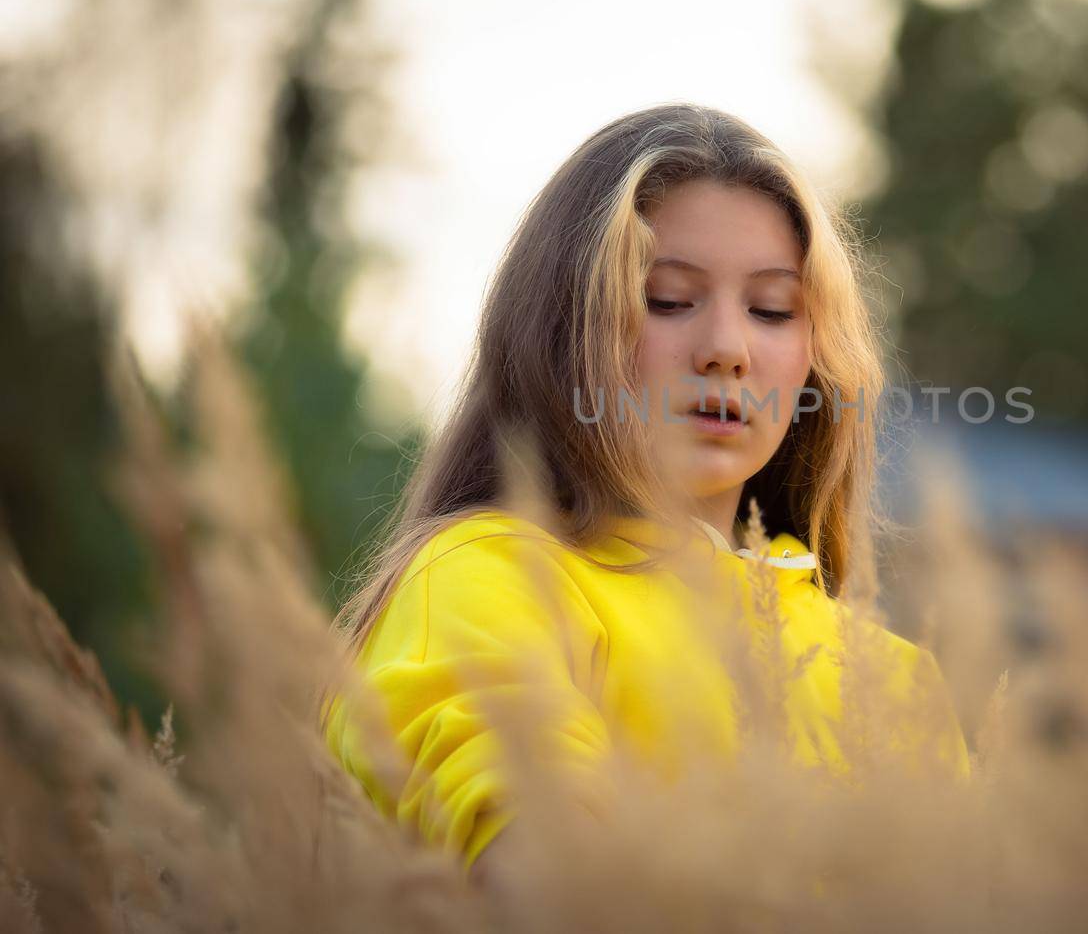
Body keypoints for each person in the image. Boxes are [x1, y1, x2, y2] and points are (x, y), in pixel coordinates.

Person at [319, 103, 969, 885]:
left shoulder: (894, 680)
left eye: (770, 309)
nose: (726, 348)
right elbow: (548, 886)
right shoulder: (486, 579)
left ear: (814, 362)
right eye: (667, 299)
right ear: (561, 333)